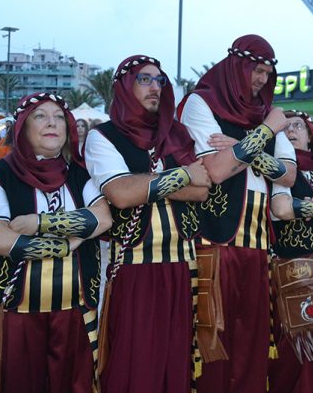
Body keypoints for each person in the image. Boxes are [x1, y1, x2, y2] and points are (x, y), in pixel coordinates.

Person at [84, 56, 211, 393]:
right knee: (135, 367)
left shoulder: (175, 133)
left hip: (182, 266)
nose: (156, 87)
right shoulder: (103, 137)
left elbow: (203, 189)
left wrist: (150, 184)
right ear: (125, 85)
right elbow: (122, 193)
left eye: (160, 80)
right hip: (134, 267)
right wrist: (180, 175)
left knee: (175, 365)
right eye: (145, 79)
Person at [177, 35, 296, 393]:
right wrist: (264, 133)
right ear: (237, 66)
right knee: (211, 338)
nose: (262, 80)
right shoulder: (202, 103)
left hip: (258, 240)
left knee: (252, 339)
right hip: (214, 238)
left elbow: (289, 173)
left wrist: (245, 150)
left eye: (267, 73)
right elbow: (216, 170)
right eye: (256, 70)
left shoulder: (265, 111)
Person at [0, 92, 112, 392]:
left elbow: (103, 219)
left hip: (75, 312)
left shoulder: (78, 174)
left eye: (59, 116)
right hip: (15, 313)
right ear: (22, 126)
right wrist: (67, 243)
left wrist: (41, 223)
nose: (52, 123)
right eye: (41, 116)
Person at [264, 110, 313, 393]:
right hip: (293, 267)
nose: (291, 131)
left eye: (297, 125)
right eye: (284, 128)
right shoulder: (279, 169)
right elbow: (282, 210)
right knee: (296, 341)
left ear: (310, 134)